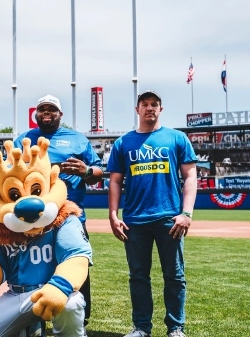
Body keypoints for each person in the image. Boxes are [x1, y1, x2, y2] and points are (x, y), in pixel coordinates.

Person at [107, 90, 197, 337]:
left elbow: (190, 176)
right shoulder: (123, 143)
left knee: (175, 276)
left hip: (169, 219)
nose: (150, 108)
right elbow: (115, 181)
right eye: (145, 104)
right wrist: (113, 215)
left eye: (154, 104)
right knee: (138, 276)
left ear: (161, 109)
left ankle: (176, 328)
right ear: (137, 109)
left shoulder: (177, 138)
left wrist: (186, 213)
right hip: (134, 221)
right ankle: (141, 328)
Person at [14, 94, 103, 327]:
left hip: (70, 216)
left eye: (51, 109)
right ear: (36, 114)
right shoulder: (24, 140)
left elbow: (100, 172)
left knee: (74, 264)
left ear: (60, 115)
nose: (46, 112)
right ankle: (34, 320)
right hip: (35, 218)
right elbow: (12, 174)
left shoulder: (77, 140)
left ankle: (78, 320)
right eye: (42, 108)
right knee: (35, 269)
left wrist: (85, 171)